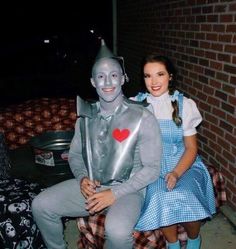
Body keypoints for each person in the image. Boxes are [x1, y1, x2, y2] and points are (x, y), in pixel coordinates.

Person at [31, 40, 162, 249]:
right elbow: (74, 155)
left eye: (113, 75)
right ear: (93, 82)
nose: (107, 81)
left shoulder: (142, 116)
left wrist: (114, 194)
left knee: (117, 231)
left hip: (129, 189)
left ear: (123, 78)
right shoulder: (85, 115)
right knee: (41, 205)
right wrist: (82, 177)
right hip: (93, 186)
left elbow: (153, 169)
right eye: (100, 76)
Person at [132, 55, 216, 249]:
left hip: (184, 164)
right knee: (160, 196)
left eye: (160, 74)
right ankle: (173, 244)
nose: (153, 82)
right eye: (148, 76)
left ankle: (194, 239)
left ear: (170, 76)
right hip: (152, 167)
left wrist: (177, 173)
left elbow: (191, 148)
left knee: (187, 194)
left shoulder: (184, 105)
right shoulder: (136, 104)